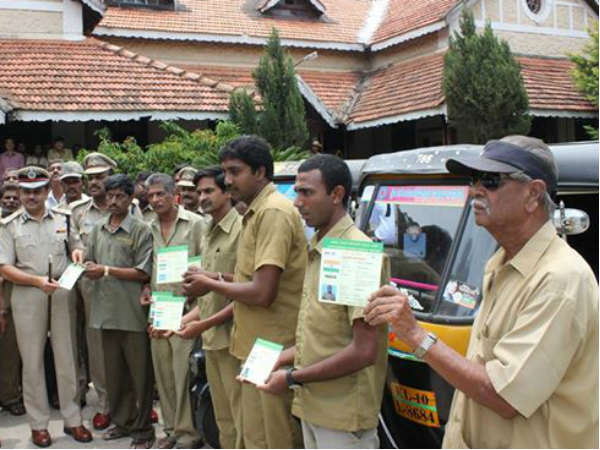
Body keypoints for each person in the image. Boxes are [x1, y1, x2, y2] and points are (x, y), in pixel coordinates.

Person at [365, 136, 599, 448]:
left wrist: (416, 335)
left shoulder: (559, 280)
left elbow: (504, 396)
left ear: (533, 194)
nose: (475, 190)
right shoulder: (501, 262)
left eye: (490, 180)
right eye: (473, 180)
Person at [182, 135, 307, 448]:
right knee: (250, 434)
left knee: (274, 438)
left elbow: (263, 292)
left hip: (272, 346)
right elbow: (247, 277)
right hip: (253, 345)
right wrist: (212, 276)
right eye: (225, 172)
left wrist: (209, 283)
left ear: (260, 172)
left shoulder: (273, 212)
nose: (228, 180)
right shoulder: (255, 212)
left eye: (235, 171)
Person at [259, 154, 389, 448]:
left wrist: (292, 378)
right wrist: (281, 358)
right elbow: (327, 337)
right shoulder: (321, 247)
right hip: (315, 407)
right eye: (297, 192)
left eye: (307, 193)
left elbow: (363, 351)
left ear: (336, 194)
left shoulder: (354, 252)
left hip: (342, 415)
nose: (297, 202)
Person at [0, 166, 92, 448]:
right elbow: (4, 268)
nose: (31, 197)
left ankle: (73, 419)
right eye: (26, 192)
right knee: (32, 362)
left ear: (47, 191)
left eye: (37, 191)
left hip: (62, 290)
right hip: (28, 293)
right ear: (19, 193)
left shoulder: (64, 218)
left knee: (67, 357)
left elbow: (77, 245)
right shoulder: (9, 225)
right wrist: (37, 281)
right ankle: (38, 425)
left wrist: (78, 252)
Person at [72, 174, 155, 449]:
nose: (113, 201)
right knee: (115, 374)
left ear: (131, 198)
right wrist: (86, 265)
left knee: (140, 375)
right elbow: (91, 260)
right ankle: (122, 421)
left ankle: (143, 430)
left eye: (120, 196)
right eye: (110, 196)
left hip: (131, 313)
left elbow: (143, 271)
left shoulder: (140, 229)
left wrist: (106, 270)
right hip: (104, 312)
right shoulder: (98, 229)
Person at [139, 173, 204, 449]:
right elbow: (149, 266)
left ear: (173, 194)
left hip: (187, 309)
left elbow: (206, 267)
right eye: (150, 196)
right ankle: (171, 430)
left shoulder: (196, 224)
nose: (155, 200)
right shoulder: (149, 227)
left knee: (182, 375)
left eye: (160, 194)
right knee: (163, 374)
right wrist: (146, 287)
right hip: (160, 308)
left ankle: (188, 434)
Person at [180, 166, 243, 448]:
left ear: (227, 192)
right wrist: (185, 321)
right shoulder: (208, 229)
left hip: (234, 340)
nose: (202, 197)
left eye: (209, 191)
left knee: (242, 419)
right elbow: (208, 294)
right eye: (199, 192)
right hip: (211, 340)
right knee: (223, 419)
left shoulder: (241, 230)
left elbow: (247, 291)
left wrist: (201, 324)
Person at [69, 152, 117, 430]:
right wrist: (77, 251)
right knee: (97, 349)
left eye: (100, 176)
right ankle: (105, 405)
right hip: (92, 289)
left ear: (111, 176)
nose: (95, 182)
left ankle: (136, 402)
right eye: (91, 178)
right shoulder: (78, 211)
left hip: (123, 286)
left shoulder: (130, 206)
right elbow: (75, 243)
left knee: (130, 345)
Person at [0, 183, 25, 418]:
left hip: (11, 292)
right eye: (6, 197)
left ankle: (10, 396)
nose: (10, 201)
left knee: (10, 349)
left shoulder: (21, 226)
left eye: (14, 198)